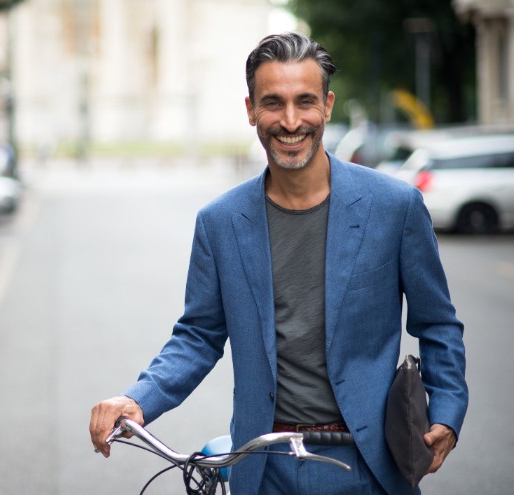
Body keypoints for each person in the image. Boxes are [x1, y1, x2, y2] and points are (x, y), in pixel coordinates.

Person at [89, 32, 467, 494]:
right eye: (273, 103)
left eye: (305, 101)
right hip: (263, 468)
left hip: (371, 466)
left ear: (327, 106)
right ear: (250, 110)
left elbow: (438, 323)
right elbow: (198, 335)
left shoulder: (395, 207)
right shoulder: (220, 222)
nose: (291, 121)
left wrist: (447, 409)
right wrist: (136, 399)